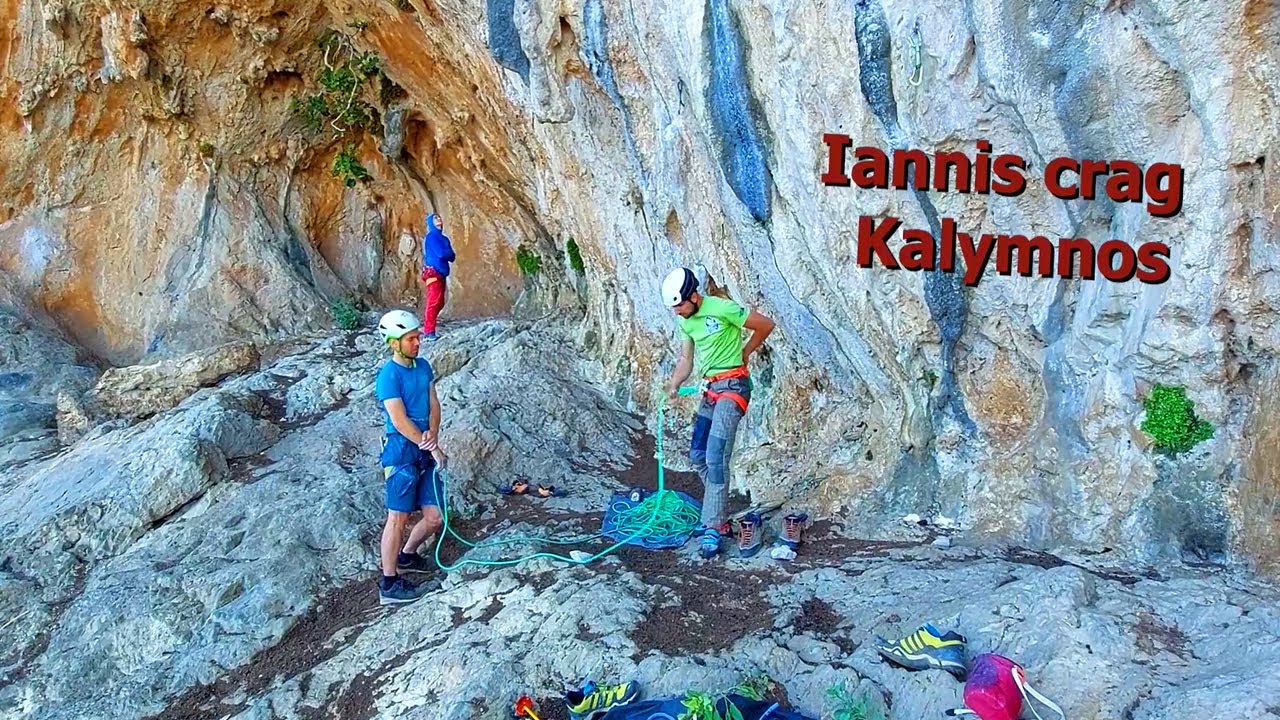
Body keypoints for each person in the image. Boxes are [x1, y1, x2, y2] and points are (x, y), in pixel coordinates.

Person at [661, 267, 775, 559]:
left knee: (716, 455)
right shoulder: (686, 322)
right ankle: (719, 515)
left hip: (734, 386)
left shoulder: (722, 308)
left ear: (693, 296)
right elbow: (686, 359)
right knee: (699, 456)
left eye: (679, 305)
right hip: (710, 389)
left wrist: (746, 352)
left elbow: (765, 324)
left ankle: (712, 525)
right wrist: (674, 383)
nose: (676, 312)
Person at [374, 309, 449, 605]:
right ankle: (389, 583)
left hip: (423, 444)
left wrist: (433, 434)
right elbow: (399, 419)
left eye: (417, 337)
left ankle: (407, 555)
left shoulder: (423, 366)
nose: (418, 342)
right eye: (411, 339)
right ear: (394, 343)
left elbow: (433, 403)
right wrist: (430, 446)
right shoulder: (388, 376)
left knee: (435, 517)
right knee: (397, 517)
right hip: (401, 449)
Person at [420, 213, 456, 340]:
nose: (439, 219)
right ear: (430, 222)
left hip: (441, 273)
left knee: (440, 302)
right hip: (433, 273)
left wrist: (447, 253)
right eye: (435, 218)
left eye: (439, 217)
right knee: (433, 302)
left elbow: (452, 257)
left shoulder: (444, 238)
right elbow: (442, 253)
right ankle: (428, 332)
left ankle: (428, 326)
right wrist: (447, 252)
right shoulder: (431, 237)